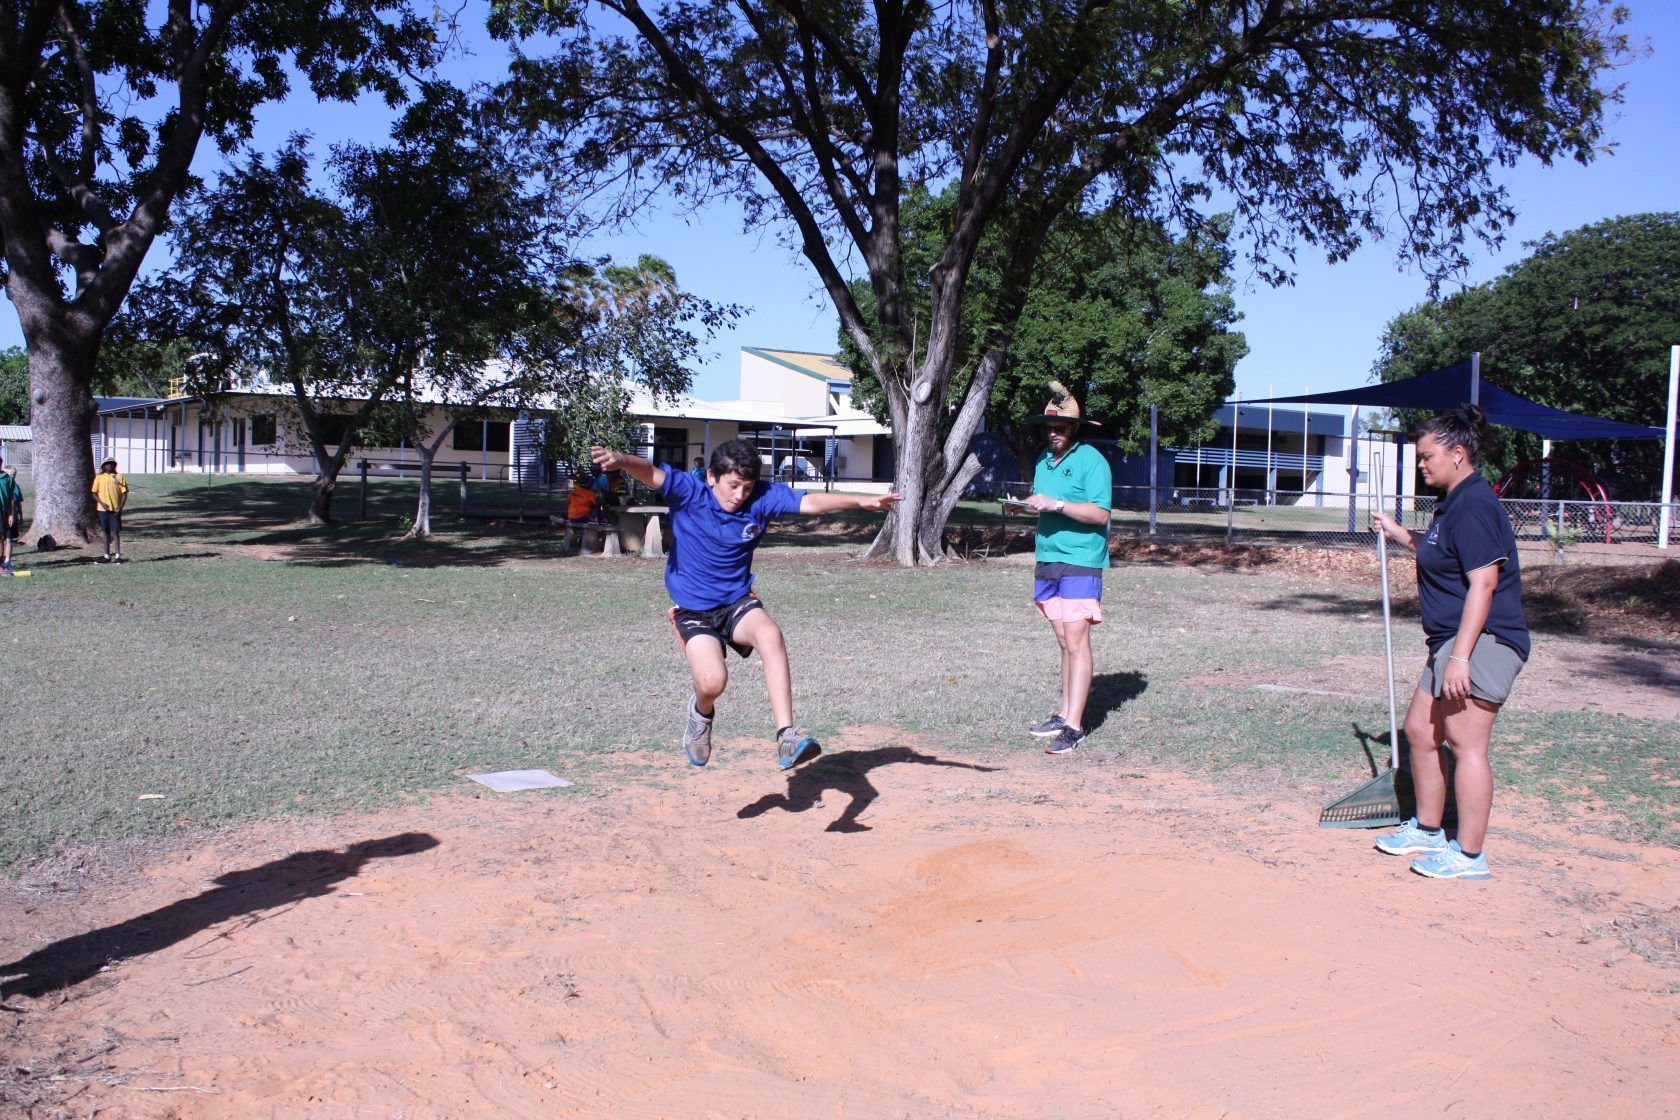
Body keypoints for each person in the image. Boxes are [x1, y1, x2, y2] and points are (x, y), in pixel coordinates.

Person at [590, 438, 900, 769]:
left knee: (770, 635)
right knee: (713, 682)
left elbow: (809, 502)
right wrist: (621, 459)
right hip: (693, 609)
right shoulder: (689, 492)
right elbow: (651, 473)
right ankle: (701, 715)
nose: (739, 495)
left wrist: (860, 501)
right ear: (712, 477)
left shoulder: (762, 498)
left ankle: (786, 737)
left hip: (736, 602)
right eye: (733, 485)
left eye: (747, 487)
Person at [1372, 404, 1528, 881]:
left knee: (1466, 743)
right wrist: (1402, 536)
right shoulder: (1453, 505)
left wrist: (1461, 657)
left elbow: (1483, 584)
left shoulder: (1477, 505)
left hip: (1483, 642)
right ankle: (1429, 828)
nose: (1422, 465)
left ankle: (1470, 856)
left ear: (1458, 454)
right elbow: (1441, 554)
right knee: (1421, 731)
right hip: (1449, 642)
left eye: (1427, 456)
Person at [1019, 380, 1112, 755]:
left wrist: (1056, 505)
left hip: (1080, 560)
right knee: (1063, 641)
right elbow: (1046, 500)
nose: (1053, 433)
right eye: (1049, 427)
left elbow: (1099, 513)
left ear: (1076, 428)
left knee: (1077, 641)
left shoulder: (1091, 461)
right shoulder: (1044, 461)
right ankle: (1063, 713)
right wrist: (1027, 505)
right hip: (1048, 557)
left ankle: (1074, 726)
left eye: (1060, 427)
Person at [91, 456, 129, 564]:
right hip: (102, 510)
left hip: (115, 509)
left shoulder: (118, 477)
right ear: (104, 466)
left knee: (115, 532)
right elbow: (94, 493)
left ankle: (118, 556)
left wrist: (120, 506)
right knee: (106, 532)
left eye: (112, 463)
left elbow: (124, 492)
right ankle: (106, 556)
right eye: (108, 464)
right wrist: (102, 504)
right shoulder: (99, 477)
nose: (110, 465)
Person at [0, 457, 21, 575]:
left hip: (5, 512)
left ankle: (6, 562)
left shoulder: (8, 479)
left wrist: (12, 514)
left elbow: (12, 498)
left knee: (7, 538)